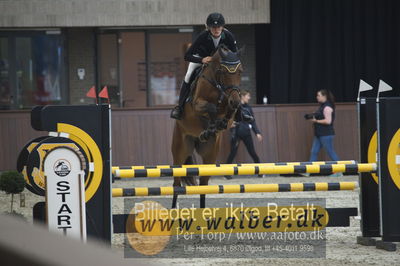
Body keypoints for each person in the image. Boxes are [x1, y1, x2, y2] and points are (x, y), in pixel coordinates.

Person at [170, 12, 238, 120]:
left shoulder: (229, 36)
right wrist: (201, 60)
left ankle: (239, 108)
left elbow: (235, 55)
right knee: (188, 76)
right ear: (208, 27)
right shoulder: (202, 36)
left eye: (218, 27)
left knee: (233, 74)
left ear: (222, 27)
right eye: (213, 27)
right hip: (201, 59)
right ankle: (180, 107)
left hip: (220, 63)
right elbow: (187, 56)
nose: (216, 30)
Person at [224, 90, 263, 179]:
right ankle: (226, 173)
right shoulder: (234, 107)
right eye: (248, 96)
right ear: (242, 96)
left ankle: (260, 171)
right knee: (232, 153)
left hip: (246, 133)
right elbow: (228, 118)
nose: (249, 98)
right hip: (236, 133)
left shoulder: (248, 108)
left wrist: (257, 132)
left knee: (252, 152)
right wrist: (230, 125)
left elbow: (252, 121)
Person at [308, 89, 340, 162]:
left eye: (319, 95)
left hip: (326, 134)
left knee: (330, 152)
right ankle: (309, 171)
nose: (317, 97)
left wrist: (316, 121)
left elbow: (328, 121)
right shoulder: (322, 106)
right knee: (314, 151)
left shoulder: (327, 107)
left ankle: (339, 171)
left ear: (324, 96)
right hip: (319, 134)